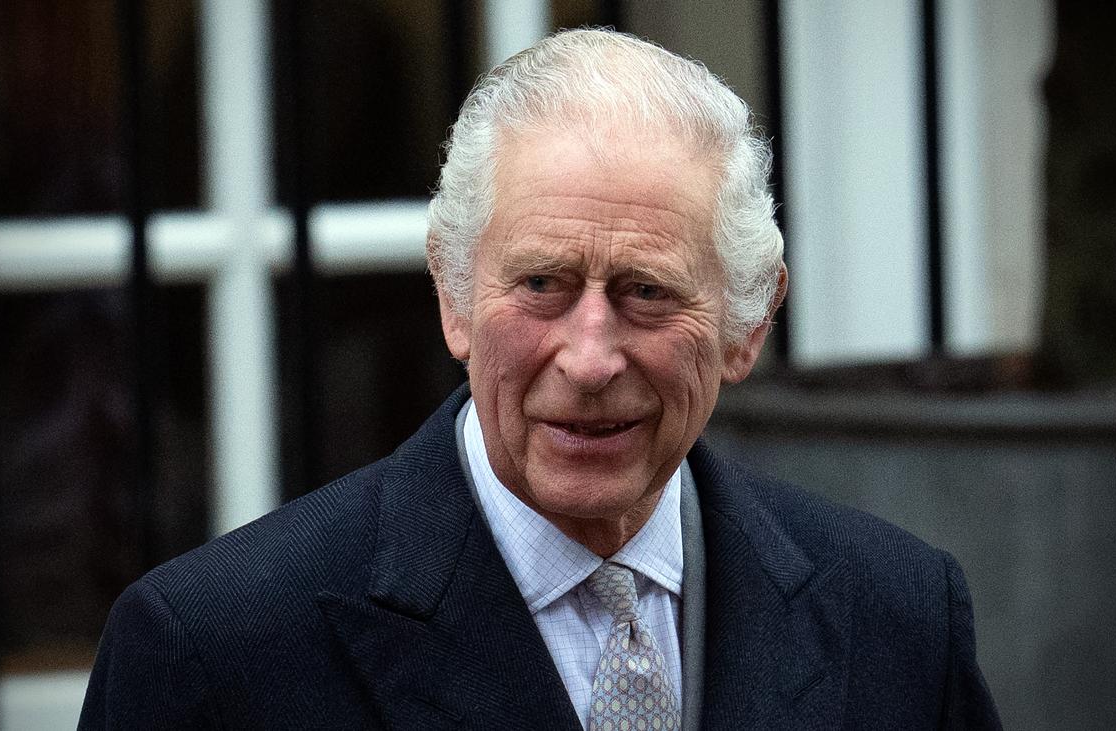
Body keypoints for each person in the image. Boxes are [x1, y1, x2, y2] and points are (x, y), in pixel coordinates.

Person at [80, 29, 1001, 730]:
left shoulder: (900, 616)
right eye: (541, 285)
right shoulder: (212, 653)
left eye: (647, 292)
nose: (590, 359)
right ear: (453, 299)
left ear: (748, 325)